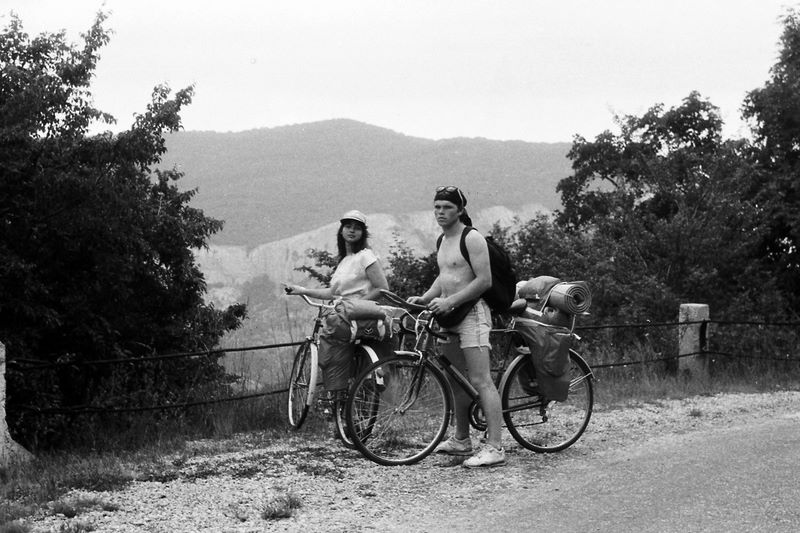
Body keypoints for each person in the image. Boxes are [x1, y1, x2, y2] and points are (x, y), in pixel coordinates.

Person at [408, 186, 506, 468]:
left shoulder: (471, 238)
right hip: (449, 315)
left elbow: (484, 280)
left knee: (480, 379)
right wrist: (425, 298)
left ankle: (496, 447)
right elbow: (446, 275)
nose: (441, 212)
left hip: (472, 314)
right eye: (437, 207)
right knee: (455, 379)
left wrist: (449, 301)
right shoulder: (443, 239)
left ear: (460, 210)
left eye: (447, 207)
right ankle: (461, 439)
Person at [284, 210, 392, 399]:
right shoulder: (344, 261)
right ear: (341, 230)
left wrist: (355, 305)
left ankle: (335, 395)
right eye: (348, 226)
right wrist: (302, 290)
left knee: (329, 345)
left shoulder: (366, 256)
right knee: (338, 354)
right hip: (343, 313)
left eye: (357, 228)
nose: (352, 231)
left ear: (363, 233)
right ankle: (339, 397)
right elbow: (332, 293)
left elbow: (382, 288)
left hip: (355, 314)